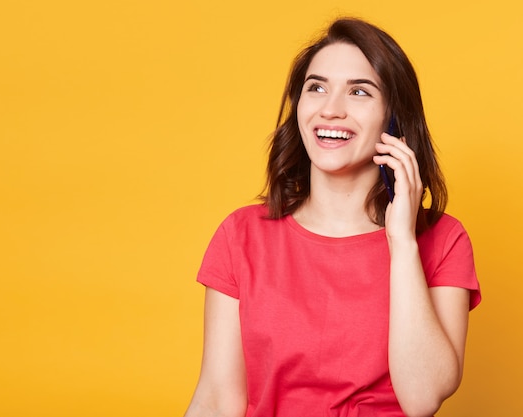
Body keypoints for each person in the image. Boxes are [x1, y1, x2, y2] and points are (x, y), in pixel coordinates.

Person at [184, 17, 481, 417]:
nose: (330, 109)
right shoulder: (241, 235)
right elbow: (218, 399)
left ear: (393, 120)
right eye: (317, 87)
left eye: (359, 91)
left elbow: (422, 398)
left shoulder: (444, 240)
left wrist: (403, 242)